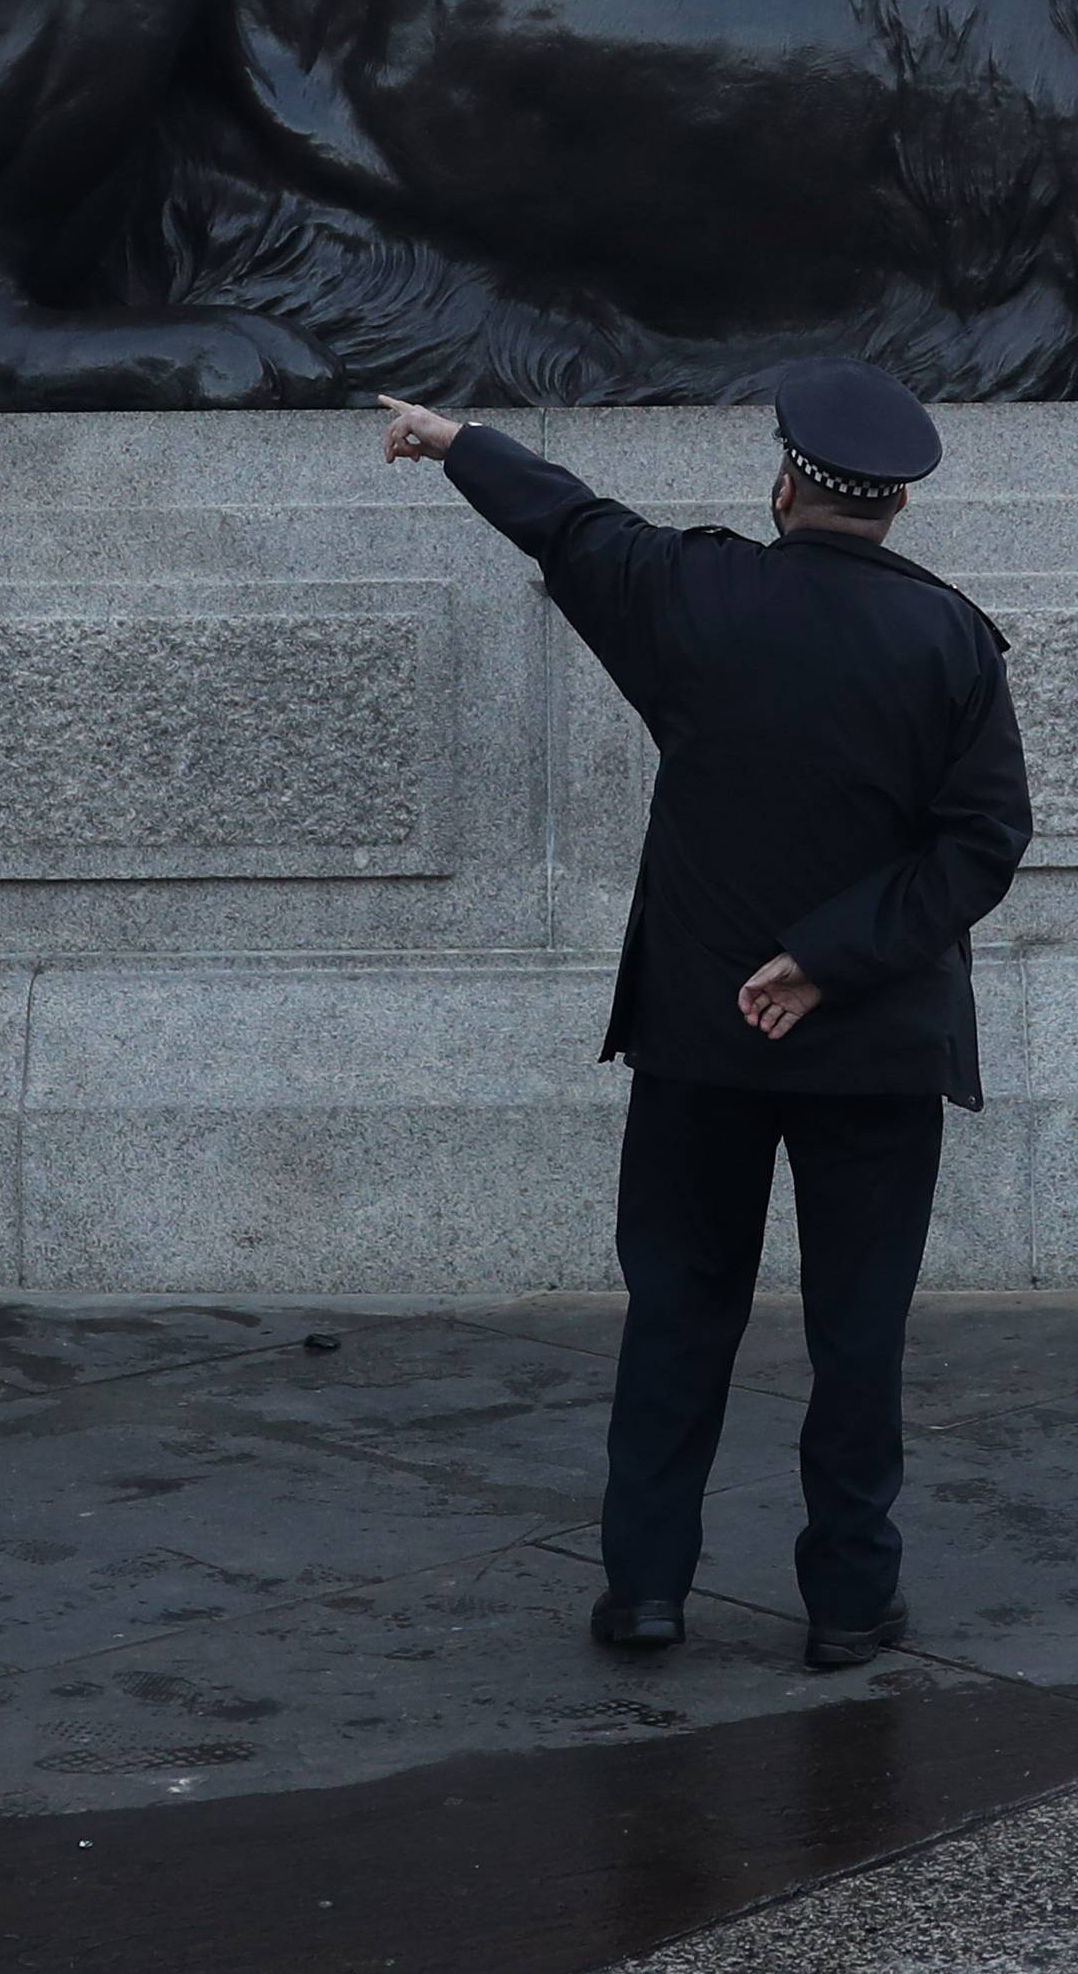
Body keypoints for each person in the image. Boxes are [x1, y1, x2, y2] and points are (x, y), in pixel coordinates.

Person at [379, 362, 1031, 1671]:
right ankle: (850, 1603)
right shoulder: (953, 639)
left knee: (678, 1311)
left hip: (701, 1041)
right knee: (857, 1333)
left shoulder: (694, 593)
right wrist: (829, 959)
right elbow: (983, 843)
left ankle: (646, 1590)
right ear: (895, 504)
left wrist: (456, 439)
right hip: (873, 1051)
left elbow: (569, 521)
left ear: (785, 481)